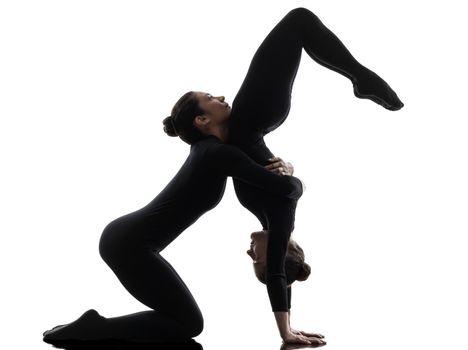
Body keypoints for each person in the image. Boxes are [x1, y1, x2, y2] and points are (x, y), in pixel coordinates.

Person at [43, 7, 403, 346]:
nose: (220, 96)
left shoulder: (215, 153)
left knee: (186, 324)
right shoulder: (216, 154)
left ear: (202, 122)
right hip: (127, 244)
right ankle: (96, 329)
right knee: (186, 324)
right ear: (202, 122)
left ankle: (96, 328)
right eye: (211, 97)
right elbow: (283, 201)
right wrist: (292, 176)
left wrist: (291, 177)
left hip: (129, 243)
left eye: (212, 96)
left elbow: (282, 221)